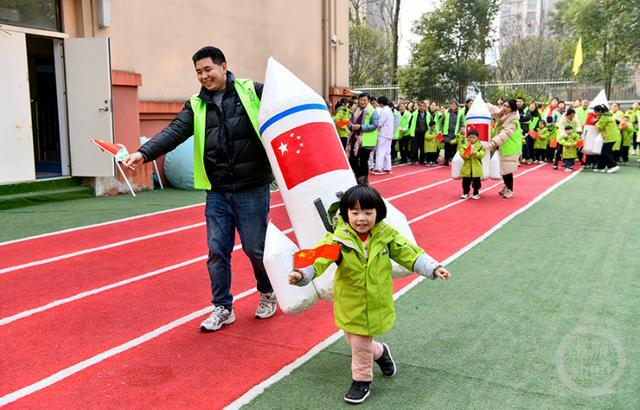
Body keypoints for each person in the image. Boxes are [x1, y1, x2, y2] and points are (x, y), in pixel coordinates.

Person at [122, 46, 276, 331]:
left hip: (251, 188)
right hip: (217, 191)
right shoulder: (196, 105)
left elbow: (285, 105)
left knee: (256, 249)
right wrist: (144, 153)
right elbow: (173, 132)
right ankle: (222, 307)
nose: (204, 76)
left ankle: (267, 291)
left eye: (208, 69)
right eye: (198, 72)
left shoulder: (251, 91)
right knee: (217, 251)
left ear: (224, 66)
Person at [288, 183, 451, 404]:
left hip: (375, 301)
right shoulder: (339, 239)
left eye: (367, 212)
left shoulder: (386, 236)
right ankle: (381, 352)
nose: (361, 218)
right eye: (354, 212)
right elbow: (320, 258)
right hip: (350, 301)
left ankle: (361, 380)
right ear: (345, 214)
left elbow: (409, 252)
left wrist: (432, 267)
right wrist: (302, 273)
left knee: (360, 345)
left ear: (378, 213)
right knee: (352, 339)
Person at [486, 99, 522, 199]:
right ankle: (507, 187)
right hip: (503, 146)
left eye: (507, 107)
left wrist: (491, 143)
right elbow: (494, 109)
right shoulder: (503, 114)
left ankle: (510, 190)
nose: (505, 108)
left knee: (507, 170)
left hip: (510, 147)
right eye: (504, 106)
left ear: (512, 109)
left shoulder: (513, 121)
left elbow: (504, 134)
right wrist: (483, 103)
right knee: (504, 168)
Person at [347, 93, 379, 181]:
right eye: (361, 100)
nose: (362, 102)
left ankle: (363, 181)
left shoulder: (372, 111)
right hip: (355, 139)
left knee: (363, 161)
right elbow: (349, 121)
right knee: (352, 160)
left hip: (366, 141)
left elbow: (374, 125)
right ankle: (359, 177)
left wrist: (361, 127)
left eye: (365, 100)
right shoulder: (355, 110)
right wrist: (351, 126)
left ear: (368, 101)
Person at [458, 129, 486, 199]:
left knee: (476, 182)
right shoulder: (465, 146)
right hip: (467, 167)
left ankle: (476, 193)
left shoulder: (481, 146)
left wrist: (475, 153)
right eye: (470, 137)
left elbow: (482, 154)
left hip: (476, 167)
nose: (472, 139)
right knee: (465, 182)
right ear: (468, 138)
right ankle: (465, 193)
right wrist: (467, 155)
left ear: (477, 138)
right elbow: (462, 154)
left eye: (474, 137)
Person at [594, 105, 620, 173]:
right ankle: (601, 167)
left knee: (605, 152)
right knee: (603, 152)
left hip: (609, 137)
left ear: (600, 111)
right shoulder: (607, 116)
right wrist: (598, 120)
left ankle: (613, 166)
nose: (595, 114)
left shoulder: (604, 117)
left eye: (596, 112)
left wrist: (595, 122)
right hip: (612, 136)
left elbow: (599, 127)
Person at [371, 96, 394, 175]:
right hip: (389, 134)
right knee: (387, 151)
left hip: (383, 134)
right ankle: (387, 168)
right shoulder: (389, 110)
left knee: (380, 151)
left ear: (380, 103)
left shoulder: (384, 111)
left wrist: (374, 124)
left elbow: (380, 123)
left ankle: (378, 168)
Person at [441, 101, 464, 166]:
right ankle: (446, 160)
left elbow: (462, 123)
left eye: (454, 104)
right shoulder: (445, 112)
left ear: (457, 106)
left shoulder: (460, 113)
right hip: (447, 132)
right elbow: (441, 122)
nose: (452, 105)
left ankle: (453, 160)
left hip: (456, 133)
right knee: (447, 146)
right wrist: (441, 130)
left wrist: (461, 129)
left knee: (454, 147)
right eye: (451, 104)